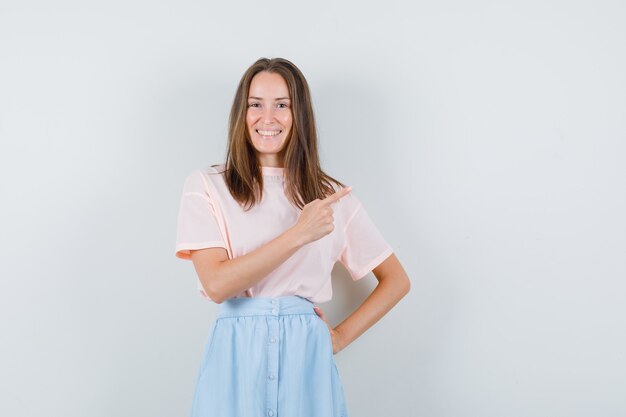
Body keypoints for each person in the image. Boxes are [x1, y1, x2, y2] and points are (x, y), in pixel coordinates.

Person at [175, 57, 410, 417]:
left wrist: (340, 337)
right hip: (236, 355)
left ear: (299, 113)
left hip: (307, 357)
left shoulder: (330, 196)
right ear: (242, 112)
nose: (267, 117)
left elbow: (396, 281)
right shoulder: (207, 185)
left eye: (282, 105)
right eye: (256, 104)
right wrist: (299, 234)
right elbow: (217, 283)